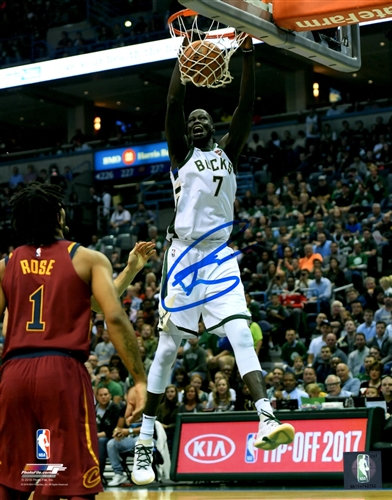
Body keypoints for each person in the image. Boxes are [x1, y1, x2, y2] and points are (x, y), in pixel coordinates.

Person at [132, 35, 295, 486]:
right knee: (167, 348)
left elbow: (245, 104)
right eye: (194, 119)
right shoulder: (179, 153)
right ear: (188, 130)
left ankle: (265, 418)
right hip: (183, 255)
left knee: (241, 332)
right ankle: (145, 441)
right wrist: (181, 59)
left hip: (220, 256)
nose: (198, 121)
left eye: (205, 118)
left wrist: (249, 56)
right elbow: (172, 104)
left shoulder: (228, 153)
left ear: (213, 127)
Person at [0, 183, 154, 499]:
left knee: (17, 475)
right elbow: (110, 315)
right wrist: (138, 379)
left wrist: (129, 271)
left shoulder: (6, 264)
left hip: (13, 375)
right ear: (59, 214)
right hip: (60, 371)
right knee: (73, 479)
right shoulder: (86, 258)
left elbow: (91, 303)